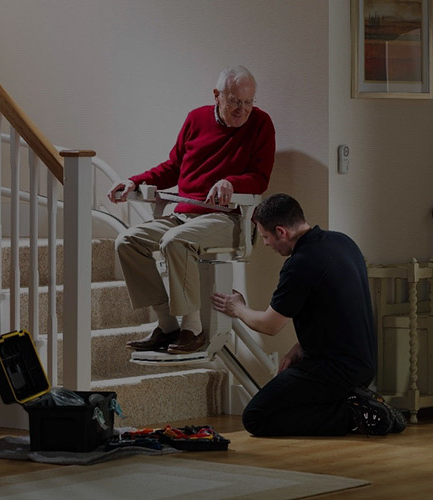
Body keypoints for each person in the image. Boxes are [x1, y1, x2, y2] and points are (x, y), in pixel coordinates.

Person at [107, 65, 275, 355]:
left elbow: (260, 178)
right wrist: (134, 181)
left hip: (229, 219)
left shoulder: (261, 124)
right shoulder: (196, 119)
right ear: (217, 96)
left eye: (249, 102)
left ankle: (192, 328)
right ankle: (167, 325)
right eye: (235, 101)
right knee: (127, 242)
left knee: (177, 241)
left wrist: (231, 182)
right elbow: (173, 167)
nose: (242, 110)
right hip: (184, 215)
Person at [211, 193, 407, 436]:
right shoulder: (343, 242)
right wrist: (300, 346)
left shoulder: (300, 264)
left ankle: (359, 415)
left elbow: (270, 325)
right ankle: (362, 404)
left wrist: (237, 308)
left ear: (281, 232)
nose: (266, 244)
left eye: (265, 237)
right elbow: (337, 310)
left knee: (256, 417)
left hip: (333, 370)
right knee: (290, 399)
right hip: (362, 365)